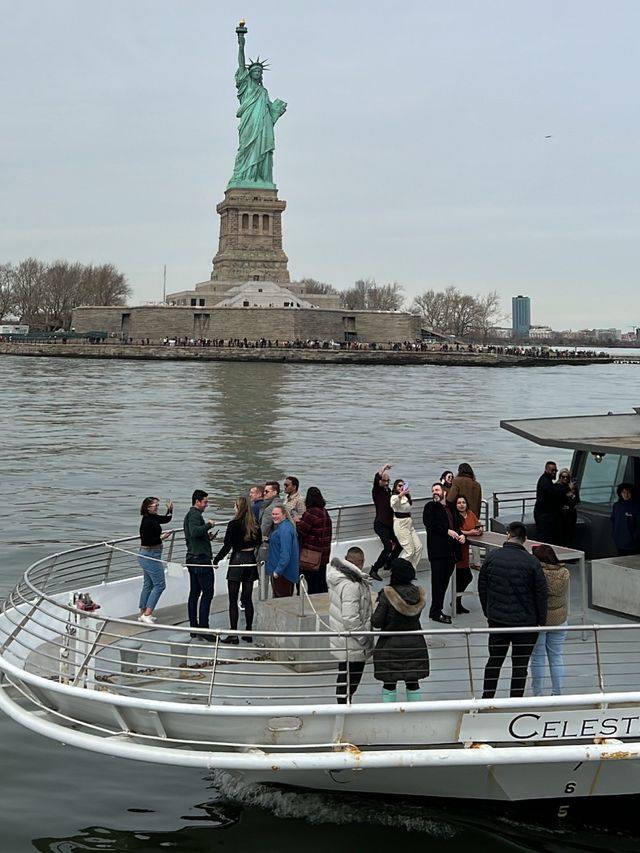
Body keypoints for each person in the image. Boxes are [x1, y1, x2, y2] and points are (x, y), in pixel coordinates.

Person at [478, 521, 547, 698]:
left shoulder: (493, 557)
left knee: (494, 661)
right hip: (526, 624)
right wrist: (541, 621)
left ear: (508, 535)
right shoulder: (532, 562)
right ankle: (515, 702)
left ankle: (487, 699)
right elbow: (540, 594)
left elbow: (482, 586)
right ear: (525, 539)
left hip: (498, 620)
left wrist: (489, 612)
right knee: (520, 665)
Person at [228, 25, 287, 188]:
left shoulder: (263, 91)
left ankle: (259, 178)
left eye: (260, 72)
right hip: (249, 122)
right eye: (255, 71)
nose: (258, 73)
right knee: (246, 148)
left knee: (262, 148)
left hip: (263, 125)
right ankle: (244, 175)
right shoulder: (246, 85)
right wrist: (241, 44)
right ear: (250, 73)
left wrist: (278, 110)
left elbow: (270, 112)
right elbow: (241, 65)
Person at [371, 558, 429, 702]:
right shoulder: (418, 594)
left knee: (389, 683)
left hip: (390, 646)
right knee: (413, 682)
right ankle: (416, 714)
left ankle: (390, 715)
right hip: (415, 644)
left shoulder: (387, 594)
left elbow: (376, 622)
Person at [327, 546, 373, 704]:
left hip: (343, 639)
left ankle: (344, 708)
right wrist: (364, 638)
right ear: (360, 562)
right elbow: (350, 618)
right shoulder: (352, 585)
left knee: (345, 676)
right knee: (351, 679)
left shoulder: (339, 578)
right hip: (354, 641)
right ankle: (343, 710)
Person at [213, 497, 262, 644]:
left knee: (233, 600)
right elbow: (259, 542)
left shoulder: (233, 524)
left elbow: (227, 546)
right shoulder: (255, 525)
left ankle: (233, 634)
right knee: (247, 599)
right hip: (250, 560)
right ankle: (248, 631)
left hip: (237, 560)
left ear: (238, 508)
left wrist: (216, 560)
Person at [529, 544, 570, 696]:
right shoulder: (564, 572)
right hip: (559, 619)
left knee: (537, 659)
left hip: (540, 620)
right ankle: (557, 692)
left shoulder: (538, 574)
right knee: (557, 657)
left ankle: (537, 693)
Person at [423, 482, 464, 624]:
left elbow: (456, 525)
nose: (435, 492)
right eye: (433, 490)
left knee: (444, 582)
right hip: (438, 551)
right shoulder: (430, 507)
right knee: (437, 582)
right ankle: (436, 611)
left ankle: (436, 609)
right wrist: (447, 531)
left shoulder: (451, 507)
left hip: (450, 552)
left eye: (437, 490)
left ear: (444, 492)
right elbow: (430, 524)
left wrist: (460, 534)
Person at [183, 489, 217, 639]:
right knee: (207, 593)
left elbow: (195, 535)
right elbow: (194, 532)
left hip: (192, 558)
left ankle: (194, 627)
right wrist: (208, 525)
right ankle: (204, 628)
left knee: (194, 593)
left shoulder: (191, 515)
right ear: (197, 502)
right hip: (200, 560)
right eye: (205, 502)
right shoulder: (195, 515)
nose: (206, 505)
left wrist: (206, 536)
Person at [137, 496, 173, 624]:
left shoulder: (152, 518)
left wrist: (170, 510)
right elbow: (146, 540)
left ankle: (142, 612)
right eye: (155, 506)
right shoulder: (147, 521)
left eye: (158, 505)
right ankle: (147, 614)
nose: (157, 507)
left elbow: (165, 519)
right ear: (147, 508)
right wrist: (162, 538)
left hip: (150, 555)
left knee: (148, 584)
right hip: (149, 555)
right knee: (159, 585)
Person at [296, 487, 332, 594]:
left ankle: (312, 602)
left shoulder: (311, 513)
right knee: (321, 580)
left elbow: (301, 531)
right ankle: (323, 601)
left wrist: (297, 521)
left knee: (312, 582)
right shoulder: (324, 512)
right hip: (323, 553)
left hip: (311, 555)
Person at [370, 463, 401, 582]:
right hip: (380, 524)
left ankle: (389, 563)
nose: (387, 483)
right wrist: (383, 468)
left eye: (388, 481)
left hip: (390, 525)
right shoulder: (377, 491)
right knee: (387, 547)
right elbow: (376, 479)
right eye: (384, 480)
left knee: (400, 544)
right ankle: (374, 569)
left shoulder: (389, 492)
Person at [454, 495, 483, 614]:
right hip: (457, 549)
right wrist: (469, 532)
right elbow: (456, 531)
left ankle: (457, 601)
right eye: (459, 503)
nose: (461, 505)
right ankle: (456, 601)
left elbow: (477, 525)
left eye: (463, 502)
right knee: (464, 576)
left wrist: (479, 530)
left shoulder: (471, 514)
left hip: (466, 549)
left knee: (464, 577)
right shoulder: (454, 516)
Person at [266, 505, 299, 597]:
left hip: (283, 574)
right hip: (281, 573)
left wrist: (277, 571)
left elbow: (285, 553)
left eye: (277, 514)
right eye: (273, 514)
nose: (274, 516)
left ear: (284, 514)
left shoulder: (284, 529)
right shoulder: (285, 526)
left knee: (281, 601)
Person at [389, 478, 422, 570]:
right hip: (400, 525)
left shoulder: (406, 497)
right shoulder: (395, 497)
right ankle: (398, 568)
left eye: (403, 485)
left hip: (409, 524)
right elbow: (393, 504)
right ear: (395, 487)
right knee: (409, 551)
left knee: (419, 547)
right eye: (399, 485)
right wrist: (400, 494)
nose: (402, 487)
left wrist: (404, 494)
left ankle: (411, 569)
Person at [533, 461, 566, 544]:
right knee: (544, 537)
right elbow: (553, 492)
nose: (554, 472)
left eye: (555, 470)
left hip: (546, 513)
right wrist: (568, 488)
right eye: (552, 470)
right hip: (543, 515)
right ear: (546, 470)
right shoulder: (545, 481)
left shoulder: (548, 481)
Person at [611, 483, 640, 556]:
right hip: (619, 541)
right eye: (624, 492)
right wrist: (615, 535)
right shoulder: (617, 506)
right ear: (620, 493)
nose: (626, 495)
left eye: (628, 492)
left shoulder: (636, 507)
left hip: (633, 543)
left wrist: (634, 537)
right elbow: (613, 520)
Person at [557, 468, 580, 548]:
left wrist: (571, 501)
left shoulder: (573, 488)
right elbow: (557, 499)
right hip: (560, 515)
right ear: (560, 477)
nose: (565, 479)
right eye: (563, 477)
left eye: (567, 477)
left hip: (570, 514)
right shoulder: (557, 487)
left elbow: (577, 500)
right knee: (560, 535)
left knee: (570, 534)